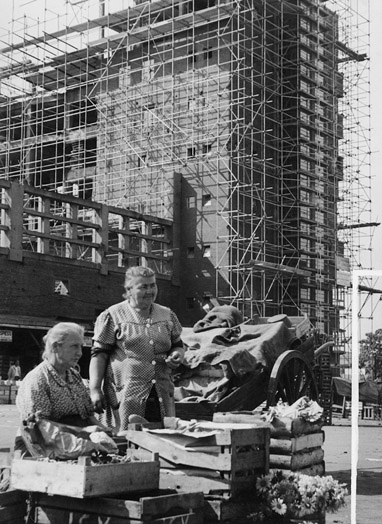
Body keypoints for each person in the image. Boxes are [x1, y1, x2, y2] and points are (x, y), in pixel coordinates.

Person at [89, 265, 184, 431]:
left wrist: (177, 355)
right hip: (127, 395)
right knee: (127, 440)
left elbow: (177, 345)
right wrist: (95, 389)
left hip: (161, 392)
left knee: (163, 437)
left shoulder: (167, 315)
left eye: (153, 285)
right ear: (129, 290)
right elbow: (99, 355)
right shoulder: (113, 315)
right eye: (143, 287)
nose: (150, 291)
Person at [16, 322, 107, 438]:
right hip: (48, 448)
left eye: (81, 347)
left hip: (78, 444)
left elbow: (88, 416)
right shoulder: (37, 379)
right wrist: (83, 431)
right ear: (55, 347)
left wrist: (106, 431)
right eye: (74, 346)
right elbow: (39, 427)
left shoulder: (74, 375)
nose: (80, 353)